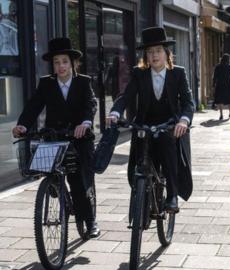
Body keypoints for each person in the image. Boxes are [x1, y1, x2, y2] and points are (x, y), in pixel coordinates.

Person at [12, 37, 100, 238]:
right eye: (56, 62)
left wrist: (85, 123)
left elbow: (91, 104)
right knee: (44, 167)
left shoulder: (83, 81)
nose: (60, 66)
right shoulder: (46, 83)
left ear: (73, 63)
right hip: (55, 135)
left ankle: (90, 220)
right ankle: (53, 186)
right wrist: (22, 125)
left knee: (79, 181)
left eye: (64, 61)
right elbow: (34, 106)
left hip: (79, 137)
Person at [106, 27, 195, 213]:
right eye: (149, 52)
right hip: (145, 124)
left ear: (166, 53)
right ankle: (142, 194)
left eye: (158, 51)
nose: (154, 55)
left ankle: (171, 195)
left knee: (168, 147)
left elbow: (188, 102)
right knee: (141, 157)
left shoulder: (178, 73)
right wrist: (115, 112)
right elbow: (126, 96)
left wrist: (184, 121)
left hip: (170, 125)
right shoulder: (140, 74)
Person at [213, 53, 230, 120]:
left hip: (219, 84)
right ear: (228, 59)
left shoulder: (217, 66)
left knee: (220, 100)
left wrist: (213, 84)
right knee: (229, 99)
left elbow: (215, 76)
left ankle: (221, 115)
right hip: (228, 84)